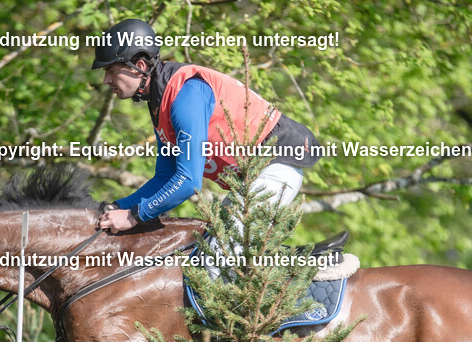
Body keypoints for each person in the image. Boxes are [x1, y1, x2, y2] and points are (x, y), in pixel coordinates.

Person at [94, 19, 323, 238]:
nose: (106, 80)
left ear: (139, 67)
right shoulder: (160, 102)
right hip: (252, 177)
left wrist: (134, 216)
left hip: (275, 162)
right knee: (205, 252)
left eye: (111, 71)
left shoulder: (186, 96)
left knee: (218, 259)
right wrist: (118, 206)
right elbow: (165, 176)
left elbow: (187, 182)